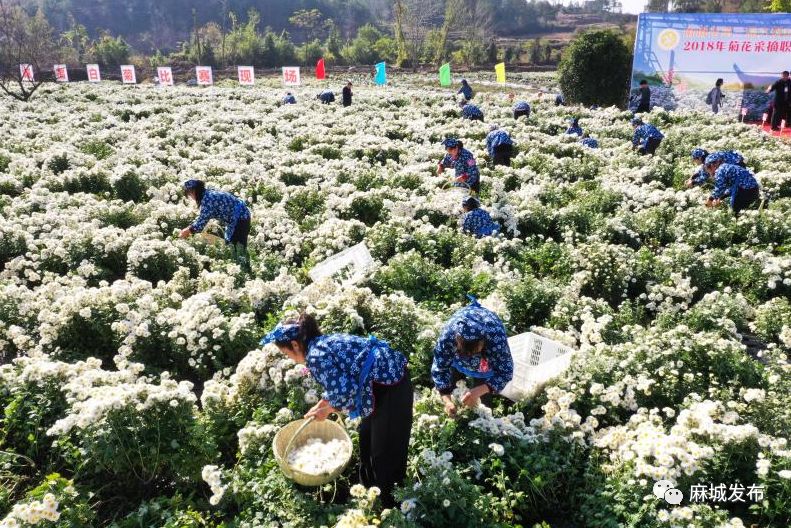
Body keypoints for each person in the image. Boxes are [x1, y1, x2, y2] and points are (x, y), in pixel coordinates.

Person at [260, 314, 412, 508]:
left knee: (385, 451)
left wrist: (328, 409)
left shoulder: (316, 356)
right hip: (376, 386)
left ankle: (393, 504)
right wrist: (322, 404)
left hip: (390, 385)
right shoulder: (318, 346)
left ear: (295, 345)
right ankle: (368, 494)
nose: (288, 357)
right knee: (367, 440)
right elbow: (340, 380)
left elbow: (346, 391)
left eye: (286, 353)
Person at [432, 296, 513, 417]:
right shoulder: (448, 336)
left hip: (484, 361)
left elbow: (505, 372)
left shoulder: (495, 337)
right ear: (457, 341)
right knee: (453, 382)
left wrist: (477, 391)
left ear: (482, 342)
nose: (470, 356)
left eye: (474, 351)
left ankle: (485, 420)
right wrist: (447, 400)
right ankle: (457, 410)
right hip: (459, 357)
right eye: (464, 352)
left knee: (483, 399)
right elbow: (440, 368)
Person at [179, 180, 252, 272]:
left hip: (240, 218)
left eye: (189, 194)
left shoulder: (207, 200)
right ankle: (241, 269)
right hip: (239, 217)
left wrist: (187, 231)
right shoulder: (208, 193)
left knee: (237, 248)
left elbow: (200, 224)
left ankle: (243, 271)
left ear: (194, 191)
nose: (190, 197)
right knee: (233, 246)